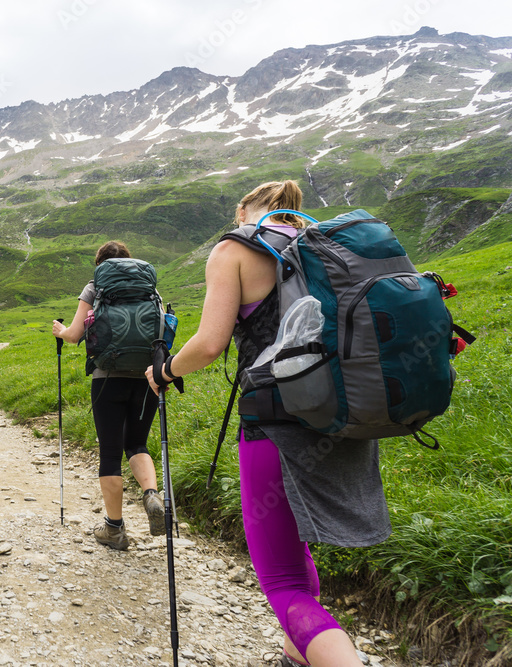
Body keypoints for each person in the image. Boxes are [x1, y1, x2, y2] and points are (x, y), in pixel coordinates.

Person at [146, 181, 389, 667]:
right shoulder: (328, 245)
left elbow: (211, 343)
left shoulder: (236, 247)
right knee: (293, 551)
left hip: (274, 420)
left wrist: (166, 370)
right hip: (349, 413)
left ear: (245, 211)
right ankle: (295, 655)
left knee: (281, 581)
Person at [52, 240, 167, 552]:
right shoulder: (150, 289)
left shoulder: (95, 288)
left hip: (107, 379)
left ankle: (114, 529)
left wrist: (60, 331)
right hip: (146, 379)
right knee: (137, 443)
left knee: (110, 453)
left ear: (100, 265)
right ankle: (151, 494)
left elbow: (75, 335)